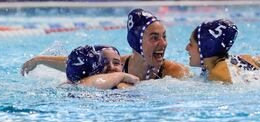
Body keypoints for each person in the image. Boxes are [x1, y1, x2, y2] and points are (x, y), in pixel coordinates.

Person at [21, 9, 191, 83]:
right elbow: (81, 62)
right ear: (136, 42)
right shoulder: (118, 64)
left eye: (164, 36)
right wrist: (40, 60)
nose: (163, 43)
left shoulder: (174, 72)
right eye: (154, 37)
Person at [185, 19, 260, 83]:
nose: (187, 48)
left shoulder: (218, 74)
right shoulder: (244, 59)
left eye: (191, 44)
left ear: (205, 47)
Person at [23, 45, 139, 89]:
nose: (111, 67)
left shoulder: (122, 86)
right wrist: (40, 59)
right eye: (103, 63)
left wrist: (41, 59)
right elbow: (75, 64)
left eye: (116, 62)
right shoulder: (77, 85)